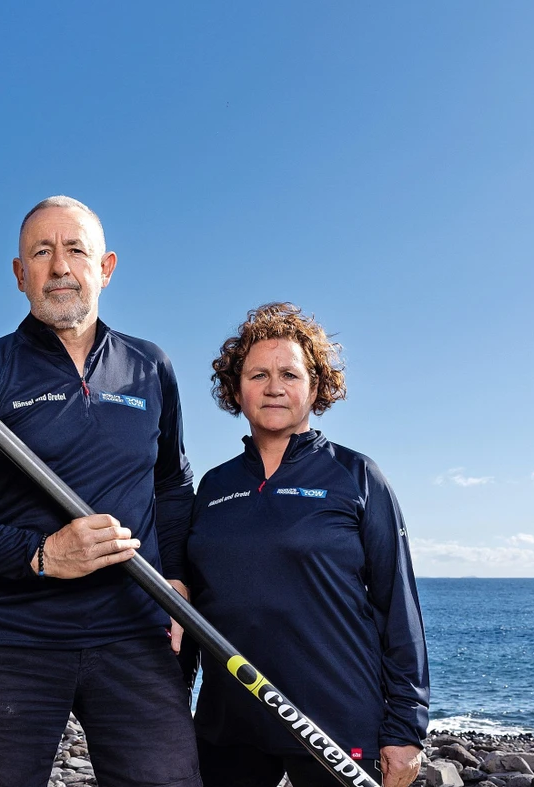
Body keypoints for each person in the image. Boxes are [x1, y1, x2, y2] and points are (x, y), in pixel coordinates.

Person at [0, 196, 201, 787]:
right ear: (19, 274)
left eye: (75, 250)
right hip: (10, 641)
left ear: (105, 267)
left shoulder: (149, 367)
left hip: (136, 634)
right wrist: (38, 555)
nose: (60, 266)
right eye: (42, 252)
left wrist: (179, 581)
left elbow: (172, 485)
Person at [182, 302, 428, 787]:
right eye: (257, 374)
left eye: (290, 374)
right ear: (236, 389)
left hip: (334, 724)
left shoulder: (356, 476)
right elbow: (191, 606)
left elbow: (398, 606)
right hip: (230, 725)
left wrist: (405, 730)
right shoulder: (212, 487)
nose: (274, 386)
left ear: (315, 388)